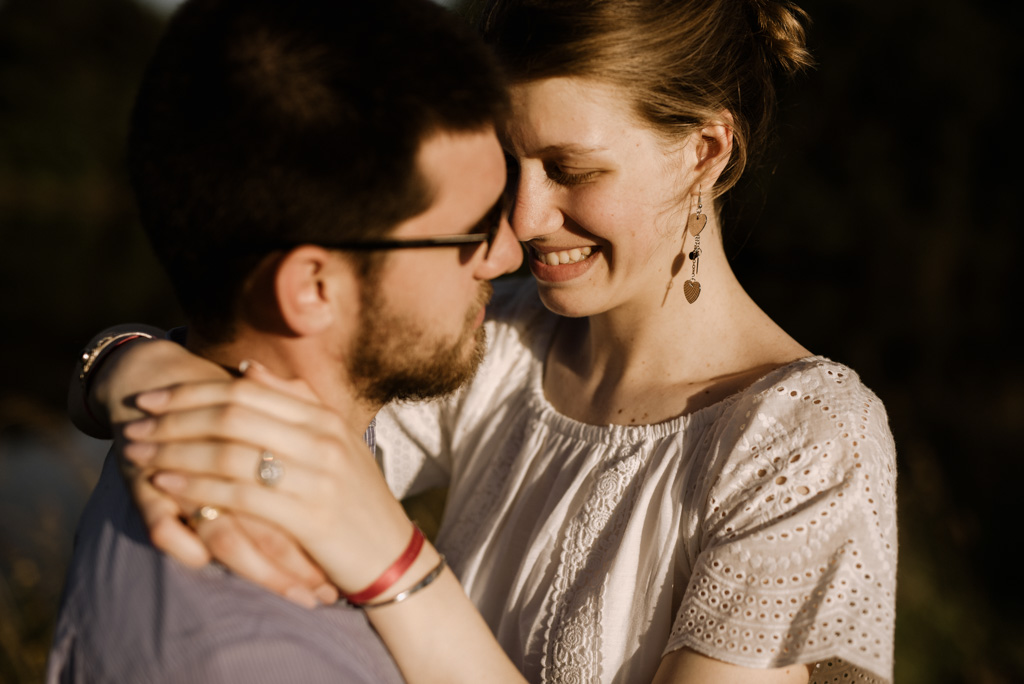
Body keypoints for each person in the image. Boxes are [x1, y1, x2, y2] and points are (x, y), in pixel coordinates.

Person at [71, 0, 898, 683]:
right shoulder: (502, 340)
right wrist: (127, 365)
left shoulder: (803, 442)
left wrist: (396, 565)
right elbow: (293, 377)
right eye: (511, 166)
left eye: (573, 170)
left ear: (706, 152)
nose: (524, 220)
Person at [46, 0, 527, 682]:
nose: (509, 255)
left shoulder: (206, 414)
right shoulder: (260, 654)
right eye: (475, 229)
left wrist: (123, 359)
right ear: (313, 288)